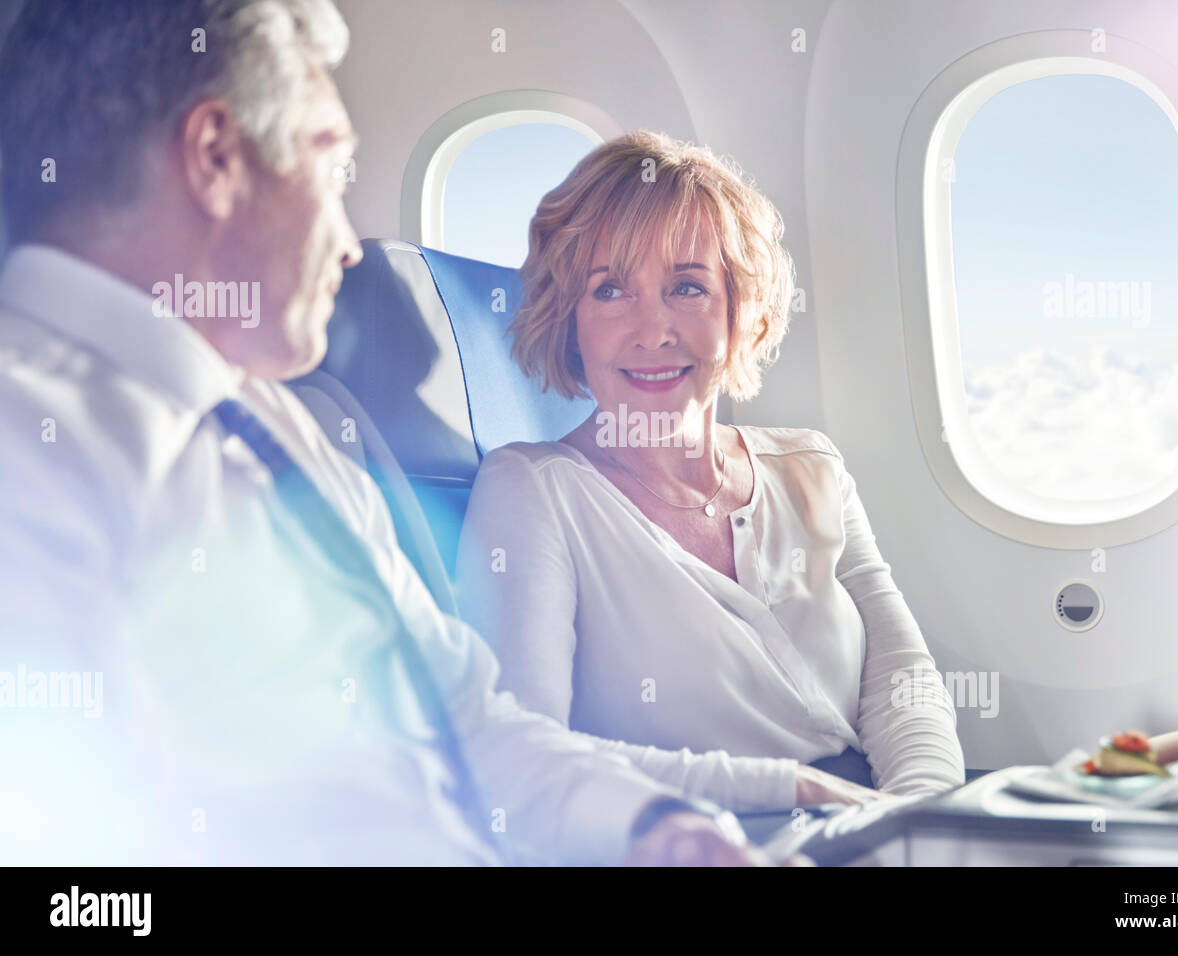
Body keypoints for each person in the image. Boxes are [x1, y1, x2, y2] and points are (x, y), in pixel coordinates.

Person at [0, 0, 787, 866]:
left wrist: (665, 831)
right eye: (330, 171)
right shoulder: (27, 451)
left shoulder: (277, 430)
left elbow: (474, 723)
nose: (348, 247)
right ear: (217, 158)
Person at [455, 131, 967, 814]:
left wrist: (921, 822)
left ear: (743, 314)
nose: (652, 329)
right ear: (568, 321)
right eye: (609, 290)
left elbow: (902, 680)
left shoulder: (810, 467)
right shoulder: (534, 493)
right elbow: (525, 754)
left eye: (687, 287)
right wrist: (791, 791)